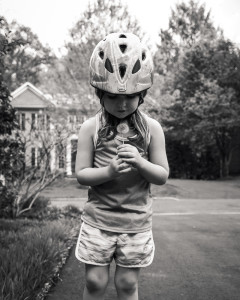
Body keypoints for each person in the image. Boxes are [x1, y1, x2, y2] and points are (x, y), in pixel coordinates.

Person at [75, 32, 169, 300]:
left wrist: (140, 162)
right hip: (98, 221)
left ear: (143, 94)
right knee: (94, 281)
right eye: (113, 96)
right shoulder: (90, 128)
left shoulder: (152, 129)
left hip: (135, 223)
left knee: (127, 284)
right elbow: (82, 174)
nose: (122, 104)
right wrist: (109, 171)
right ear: (99, 92)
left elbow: (162, 175)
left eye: (130, 96)